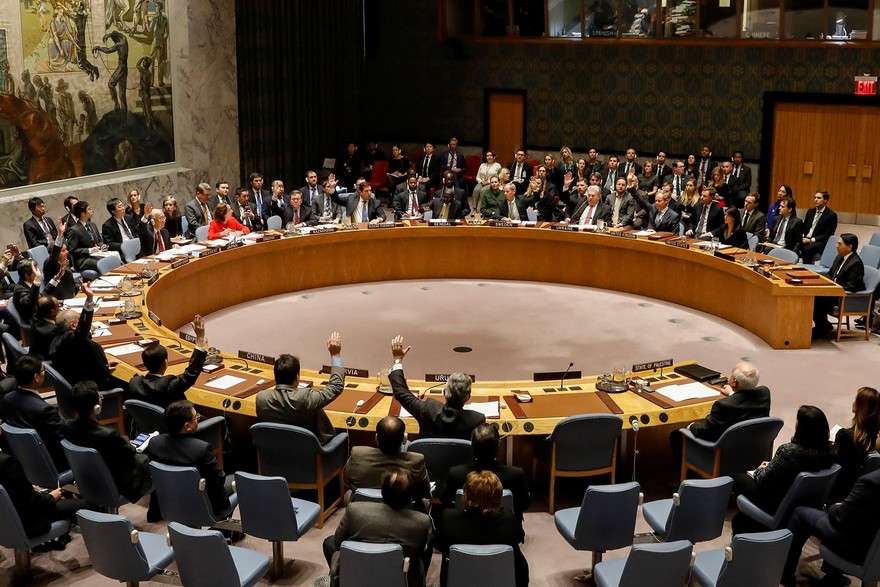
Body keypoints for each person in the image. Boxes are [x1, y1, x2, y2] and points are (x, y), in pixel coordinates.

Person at [732, 405, 836, 533]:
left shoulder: (788, 451)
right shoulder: (830, 452)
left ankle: (748, 520)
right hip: (803, 501)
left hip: (776, 501)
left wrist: (761, 468)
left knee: (738, 477)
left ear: (802, 428)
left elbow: (763, 479)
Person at [324, 469, 433, 587]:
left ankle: (346, 577)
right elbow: (418, 551)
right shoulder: (422, 522)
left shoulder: (355, 510)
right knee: (421, 555)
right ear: (409, 497)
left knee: (329, 543)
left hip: (360, 568)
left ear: (382, 493)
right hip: (401, 574)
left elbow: (338, 541)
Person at [780, 458, 880, 587]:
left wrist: (834, 507)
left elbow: (841, 518)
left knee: (800, 514)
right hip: (873, 546)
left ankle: (785, 576)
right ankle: (833, 578)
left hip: (855, 545)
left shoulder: (871, 482)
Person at [61, 380, 152, 504]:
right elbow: (129, 455)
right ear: (96, 408)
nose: (101, 398)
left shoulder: (66, 426)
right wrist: (127, 442)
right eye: (99, 397)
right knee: (150, 457)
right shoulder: (108, 434)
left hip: (87, 477)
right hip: (115, 481)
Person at [435, 471, 529, 587]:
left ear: (465, 496)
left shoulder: (448, 518)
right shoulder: (509, 520)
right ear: (498, 497)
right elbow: (520, 537)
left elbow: (438, 545)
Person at [670, 362, 769, 468]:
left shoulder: (723, 405)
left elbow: (705, 431)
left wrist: (692, 426)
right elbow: (743, 403)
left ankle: (691, 476)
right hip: (752, 450)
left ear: (734, 382)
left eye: (731, 375)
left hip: (723, 454)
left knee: (676, 435)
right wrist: (733, 394)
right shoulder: (764, 394)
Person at [147, 400, 235, 518]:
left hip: (170, 499)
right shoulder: (201, 449)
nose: (198, 418)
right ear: (187, 426)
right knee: (235, 479)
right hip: (202, 504)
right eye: (196, 417)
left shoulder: (154, 443)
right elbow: (219, 479)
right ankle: (226, 529)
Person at [255, 332, 345, 444]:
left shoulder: (261, 398)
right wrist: (335, 355)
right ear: (297, 377)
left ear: (275, 376)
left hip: (274, 454)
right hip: (308, 455)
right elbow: (336, 386)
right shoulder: (304, 398)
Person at [389, 335, 485, 439]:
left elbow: (401, 392)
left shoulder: (428, 410)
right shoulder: (477, 419)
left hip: (428, 456)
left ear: (444, 392)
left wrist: (397, 360)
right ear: (468, 397)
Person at [442, 423, 531, 520]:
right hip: (504, 527)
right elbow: (524, 504)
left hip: (466, 527)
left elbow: (445, 501)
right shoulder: (516, 475)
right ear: (498, 446)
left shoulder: (455, 474)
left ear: (472, 447)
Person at [0, 448, 86, 544]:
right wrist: (51, 497)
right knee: (85, 505)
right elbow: (31, 501)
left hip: (5, 522)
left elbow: (11, 489)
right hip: (29, 520)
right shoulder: (6, 462)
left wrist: (27, 487)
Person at [49, 281, 124, 389]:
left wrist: (104, 365)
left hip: (84, 377)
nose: (82, 322)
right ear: (73, 326)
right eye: (79, 319)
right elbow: (83, 330)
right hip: (91, 388)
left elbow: (81, 360)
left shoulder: (60, 338)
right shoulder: (71, 339)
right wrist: (89, 298)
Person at [343, 415, 431, 507]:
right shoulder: (416, 461)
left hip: (362, 508)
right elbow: (425, 491)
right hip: (405, 510)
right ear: (404, 439)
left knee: (348, 495)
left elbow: (346, 481)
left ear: (376, 438)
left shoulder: (357, 454)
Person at [2, 354, 67, 469]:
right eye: (43, 370)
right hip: (50, 463)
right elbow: (61, 442)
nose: (45, 372)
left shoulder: (7, 398)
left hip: (22, 458)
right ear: (36, 377)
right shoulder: (44, 410)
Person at [128, 315, 208, 408]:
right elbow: (190, 374)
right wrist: (200, 337)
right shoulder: (167, 386)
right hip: (175, 421)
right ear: (165, 363)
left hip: (148, 421)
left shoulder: (134, 382)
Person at [832, 386, 880, 500]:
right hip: (863, 494)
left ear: (859, 406)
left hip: (840, 493)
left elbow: (835, 469)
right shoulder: (877, 439)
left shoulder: (845, 436)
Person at [813, 233, 865, 338]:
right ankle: (823, 325)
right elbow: (831, 273)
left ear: (849, 247)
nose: (837, 246)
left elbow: (851, 286)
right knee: (813, 294)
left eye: (840, 244)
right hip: (833, 291)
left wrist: (832, 287)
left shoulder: (856, 263)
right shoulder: (840, 257)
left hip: (843, 296)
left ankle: (823, 326)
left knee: (816, 298)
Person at [65, 200, 104, 272]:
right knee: (104, 262)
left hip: (97, 254)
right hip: (83, 260)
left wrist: (102, 246)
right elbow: (72, 250)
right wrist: (90, 250)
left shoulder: (92, 225)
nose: (91, 211)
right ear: (82, 214)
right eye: (89, 209)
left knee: (113, 257)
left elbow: (99, 240)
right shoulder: (74, 230)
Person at [801, 191, 839, 263]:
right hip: (806, 238)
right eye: (815, 197)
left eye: (818, 198)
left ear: (825, 200)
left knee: (806, 249)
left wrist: (811, 240)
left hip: (819, 241)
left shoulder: (831, 215)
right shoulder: (810, 211)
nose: (815, 200)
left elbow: (828, 234)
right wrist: (803, 236)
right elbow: (804, 227)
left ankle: (807, 268)